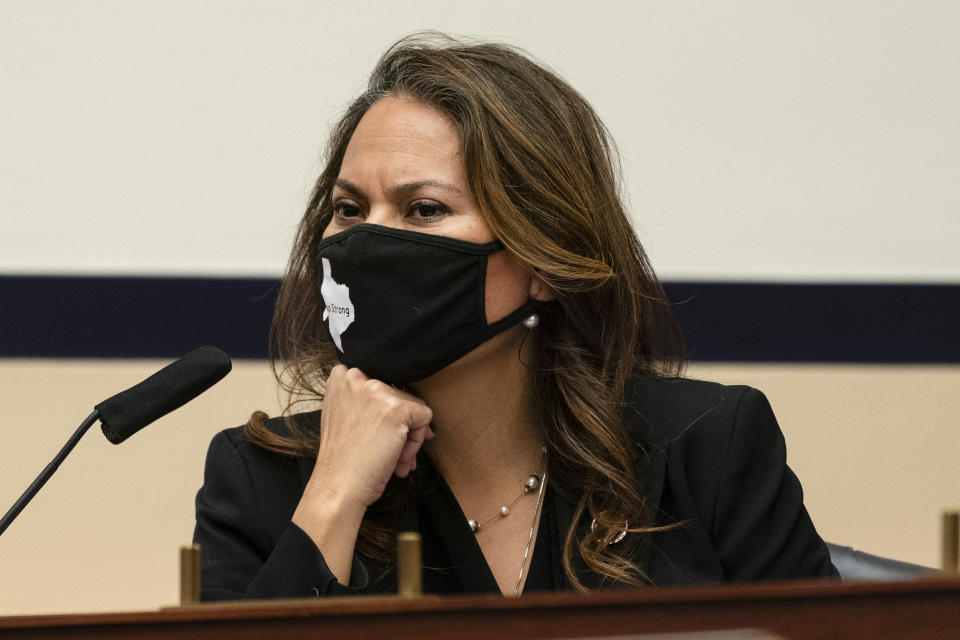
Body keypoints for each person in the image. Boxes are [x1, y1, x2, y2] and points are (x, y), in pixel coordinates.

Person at [193, 33, 837, 600]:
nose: (368, 243)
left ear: (543, 261)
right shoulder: (263, 480)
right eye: (350, 209)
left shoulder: (705, 449)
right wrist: (333, 496)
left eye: (423, 210)